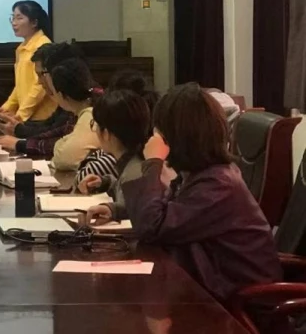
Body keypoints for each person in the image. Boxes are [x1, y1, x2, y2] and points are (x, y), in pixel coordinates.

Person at [88, 83, 282, 303]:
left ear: (175, 137)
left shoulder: (218, 185)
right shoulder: (202, 174)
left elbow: (153, 227)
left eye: (159, 130)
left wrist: (153, 162)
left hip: (238, 304)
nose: (154, 137)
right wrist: (117, 210)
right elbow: (171, 211)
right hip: (210, 289)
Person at [0, 42, 77, 157]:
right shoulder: (67, 100)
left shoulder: (84, 102)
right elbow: (51, 128)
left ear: (57, 72)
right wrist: (17, 128)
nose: (39, 82)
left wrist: (19, 143)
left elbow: (62, 145)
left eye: (41, 75)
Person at [76, 90, 152, 219]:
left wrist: (113, 210)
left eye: (95, 125)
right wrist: (105, 183)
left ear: (106, 133)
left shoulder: (134, 173)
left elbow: (133, 209)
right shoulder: (137, 161)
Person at [0, 0, 57, 126]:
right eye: (13, 18)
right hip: (28, 117)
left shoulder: (43, 45)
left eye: (19, 18)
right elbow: (20, 85)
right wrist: (7, 108)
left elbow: (40, 87)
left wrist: (21, 115)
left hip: (42, 117)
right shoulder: (21, 48)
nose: (14, 23)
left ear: (34, 22)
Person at [43, 58, 112, 173]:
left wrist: (58, 146)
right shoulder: (89, 109)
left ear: (61, 94)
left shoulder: (91, 114)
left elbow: (66, 159)